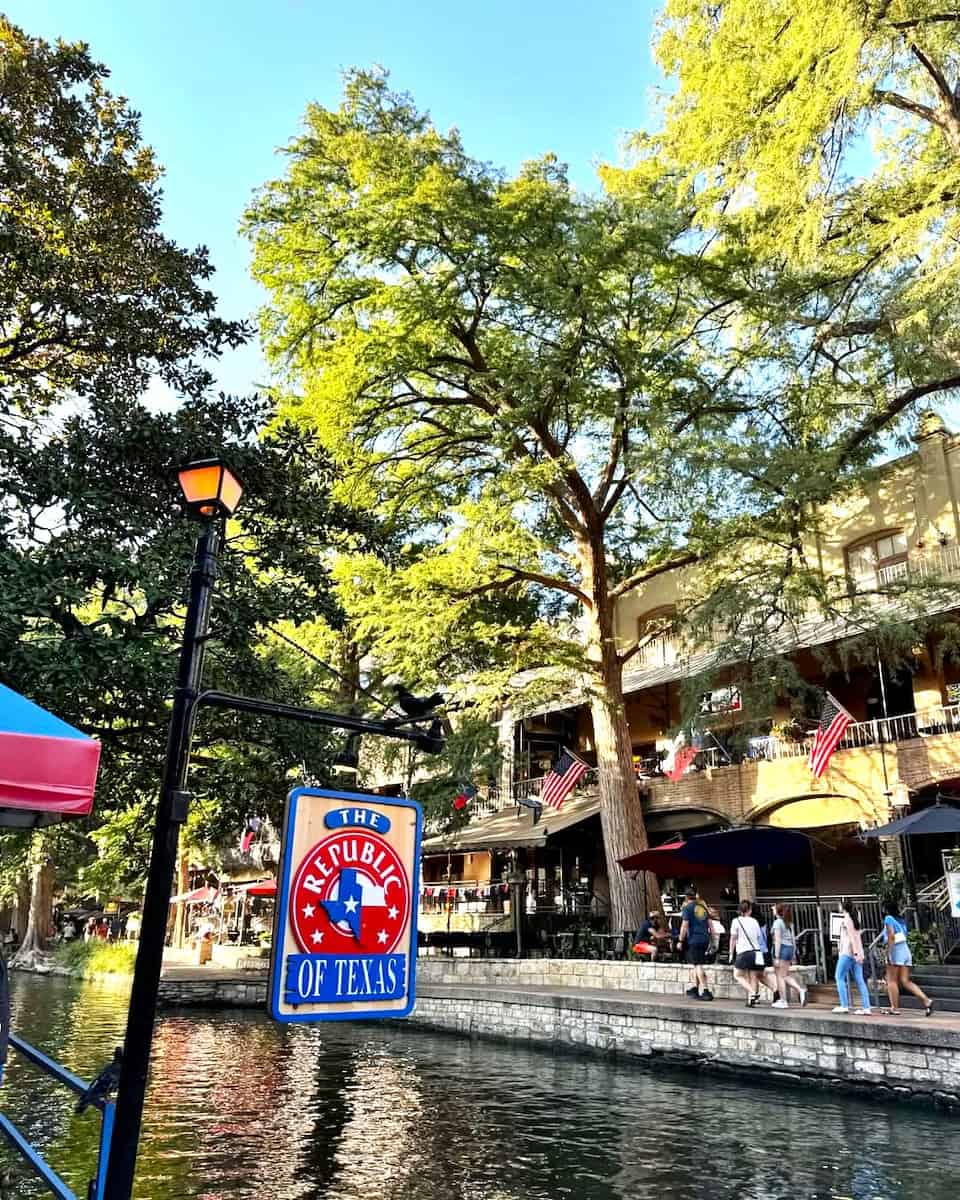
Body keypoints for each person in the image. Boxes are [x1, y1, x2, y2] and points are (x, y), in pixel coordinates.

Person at [881, 901, 934, 1016]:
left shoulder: (888, 919)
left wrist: (888, 954)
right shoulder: (901, 920)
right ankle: (926, 1001)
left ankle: (894, 1008)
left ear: (886, 909)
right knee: (905, 981)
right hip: (905, 950)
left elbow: (891, 936)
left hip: (896, 950)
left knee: (891, 980)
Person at [834, 899, 872, 1015]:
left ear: (842, 907)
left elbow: (851, 938)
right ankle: (866, 1007)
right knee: (860, 980)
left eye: (839, 905)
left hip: (848, 953)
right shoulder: (855, 918)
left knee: (839, 977)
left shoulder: (847, 919)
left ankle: (844, 1005)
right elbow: (856, 937)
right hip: (857, 953)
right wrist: (859, 953)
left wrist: (855, 953)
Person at [677, 887, 714, 1001]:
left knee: (698, 964)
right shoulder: (702, 907)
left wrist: (680, 940)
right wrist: (712, 940)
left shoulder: (687, 908)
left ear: (687, 897)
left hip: (694, 939)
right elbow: (710, 925)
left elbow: (684, 926)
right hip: (704, 938)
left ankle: (706, 990)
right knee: (695, 963)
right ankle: (695, 988)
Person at [729, 899, 765, 1006]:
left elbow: (733, 938)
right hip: (756, 952)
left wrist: (731, 953)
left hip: (744, 952)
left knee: (737, 974)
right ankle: (752, 1000)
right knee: (753, 975)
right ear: (749, 910)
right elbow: (759, 936)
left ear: (740, 910)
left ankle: (752, 993)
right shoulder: (754, 921)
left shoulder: (736, 921)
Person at [771, 903, 807, 1008]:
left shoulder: (777, 922)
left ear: (778, 911)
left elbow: (777, 939)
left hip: (781, 948)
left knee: (780, 976)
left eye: (775, 908)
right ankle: (800, 990)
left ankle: (784, 1000)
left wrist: (776, 957)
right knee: (785, 975)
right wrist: (794, 954)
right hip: (789, 948)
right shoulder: (788, 922)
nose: (773, 909)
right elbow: (793, 939)